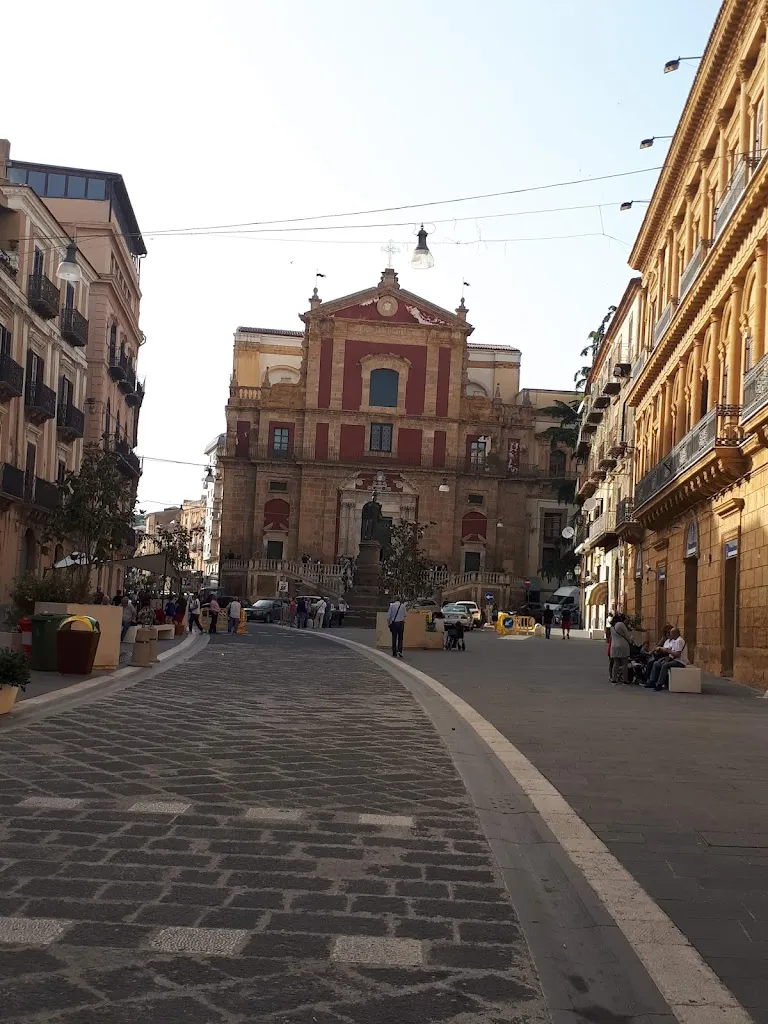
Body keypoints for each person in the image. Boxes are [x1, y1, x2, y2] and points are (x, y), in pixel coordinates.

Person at [609, 613, 632, 684]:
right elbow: (627, 635)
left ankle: (614, 679)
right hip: (622, 645)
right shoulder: (621, 624)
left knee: (616, 663)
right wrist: (631, 641)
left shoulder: (612, 626)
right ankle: (625, 680)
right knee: (624, 663)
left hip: (614, 646)